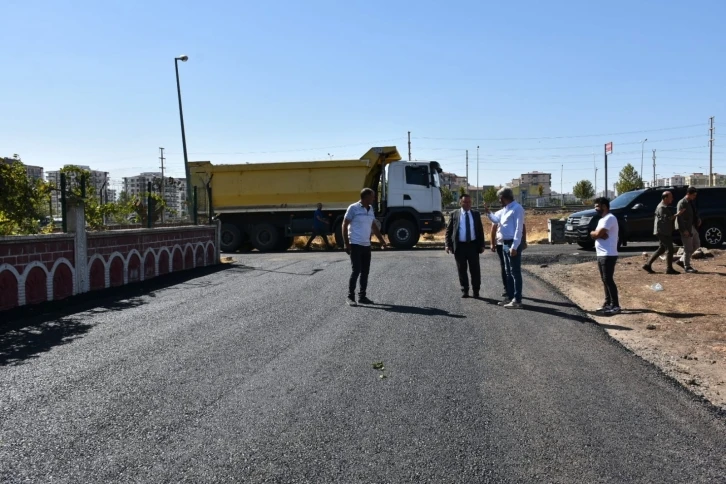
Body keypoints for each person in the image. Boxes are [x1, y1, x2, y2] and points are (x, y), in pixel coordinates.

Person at [342, 188, 388, 306]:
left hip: (366, 245)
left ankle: (362, 296)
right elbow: (344, 224)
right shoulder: (353, 208)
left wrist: (382, 240)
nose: (374, 198)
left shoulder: (370, 209)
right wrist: (346, 243)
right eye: (372, 196)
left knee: (365, 272)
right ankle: (350, 297)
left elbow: (373, 226)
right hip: (355, 244)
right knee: (356, 270)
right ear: (366, 197)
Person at [484, 188, 525, 309]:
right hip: (504, 243)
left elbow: (519, 229)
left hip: (512, 243)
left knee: (515, 273)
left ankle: (517, 300)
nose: (498, 200)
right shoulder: (505, 209)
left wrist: (515, 246)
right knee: (508, 272)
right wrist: (488, 212)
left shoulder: (517, 208)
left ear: (502, 197)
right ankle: (510, 297)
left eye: (499, 198)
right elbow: (496, 220)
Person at [445, 194, 485, 298]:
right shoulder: (454, 214)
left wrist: (482, 244)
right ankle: (465, 290)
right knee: (461, 269)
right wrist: (447, 244)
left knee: (475, 270)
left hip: (473, 245)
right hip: (459, 246)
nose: (467, 204)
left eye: (469, 202)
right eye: (465, 202)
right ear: (460, 203)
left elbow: (480, 230)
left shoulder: (476, 214)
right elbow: (449, 231)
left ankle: (476, 290)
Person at [590, 197, 621, 315]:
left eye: (597, 206)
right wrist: (596, 234)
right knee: (605, 280)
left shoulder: (610, 218)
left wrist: (594, 233)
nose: (595, 209)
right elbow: (599, 235)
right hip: (602, 253)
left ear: (604, 206)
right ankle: (608, 303)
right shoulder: (602, 220)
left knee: (608, 279)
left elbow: (598, 234)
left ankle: (616, 305)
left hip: (608, 254)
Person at [643, 191, 685, 274]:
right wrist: (677, 214)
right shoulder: (662, 208)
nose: (672, 199)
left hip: (662, 231)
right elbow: (666, 219)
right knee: (670, 248)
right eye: (670, 197)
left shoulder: (663, 206)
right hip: (663, 232)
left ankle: (647, 265)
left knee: (661, 249)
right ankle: (669, 269)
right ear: (665, 198)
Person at [675, 186, 701, 274]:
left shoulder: (690, 202)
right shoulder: (682, 203)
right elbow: (679, 217)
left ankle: (682, 260)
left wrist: (697, 219)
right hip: (685, 228)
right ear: (688, 194)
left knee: (697, 244)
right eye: (693, 195)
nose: (694, 197)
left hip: (691, 226)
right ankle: (687, 266)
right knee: (688, 248)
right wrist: (683, 230)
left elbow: (692, 213)